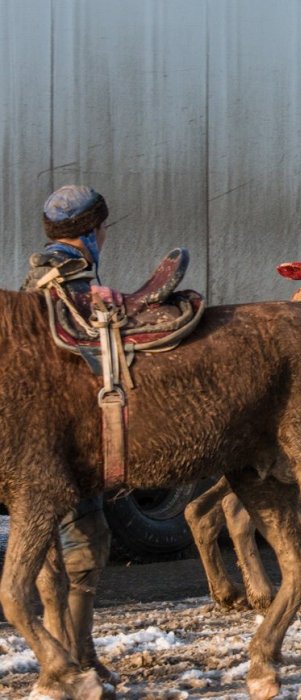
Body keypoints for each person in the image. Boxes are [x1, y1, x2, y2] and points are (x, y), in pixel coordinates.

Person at [22, 184, 114, 681]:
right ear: (91, 231)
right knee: (81, 546)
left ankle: (81, 655)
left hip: (57, 434)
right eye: (102, 228)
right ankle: (71, 661)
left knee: (72, 550)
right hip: (66, 438)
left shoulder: (44, 272)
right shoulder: (67, 277)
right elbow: (85, 354)